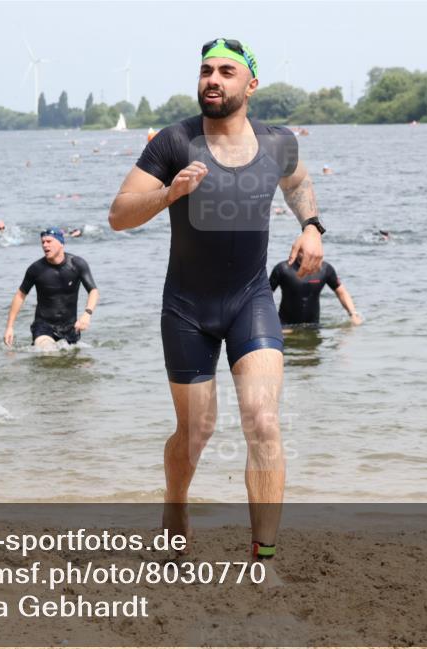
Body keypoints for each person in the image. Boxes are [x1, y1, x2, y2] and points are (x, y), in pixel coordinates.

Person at [108, 38, 325, 567]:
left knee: (263, 421)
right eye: (206, 70)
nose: (213, 79)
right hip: (187, 309)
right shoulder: (172, 143)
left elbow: (297, 183)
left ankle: (263, 556)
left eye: (227, 71)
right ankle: (175, 505)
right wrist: (168, 195)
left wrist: (313, 226)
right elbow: (118, 214)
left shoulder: (279, 144)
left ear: (250, 85)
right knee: (196, 431)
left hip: (250, 300)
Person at [3, 227, 99, 349]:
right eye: (43, 242)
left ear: (61, 243)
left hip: (70, 328)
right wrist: (10, 327)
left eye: (49, 241)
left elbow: (93, 291)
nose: (45, 245)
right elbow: (20, 295)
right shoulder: (36, 269)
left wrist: (87, 314)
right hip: (43, 326)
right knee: (48, 350)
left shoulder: (77, 264)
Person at [269, 259, 362, 327]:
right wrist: (270, 323)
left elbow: (341, 292)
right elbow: (265, 295)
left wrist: (353, 314)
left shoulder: (325, 269)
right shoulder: (282, 268)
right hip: (285, 327)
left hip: (313, 326)